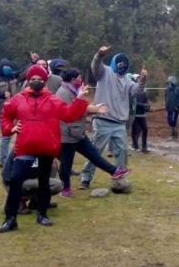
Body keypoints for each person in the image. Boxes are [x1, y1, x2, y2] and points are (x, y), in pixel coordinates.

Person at [0, 65, 90, 233]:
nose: (36, 81)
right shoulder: (18, 99)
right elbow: (5, 114)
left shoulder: (53, 100)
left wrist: (80, 99)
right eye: (33, 79)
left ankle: (42, 214)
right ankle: (10, 219)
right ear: (28, 80)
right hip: (25, 148)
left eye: (40, 79)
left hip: (47, 148)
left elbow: (69, 115)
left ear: (45, 81)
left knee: (44, 182)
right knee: (16, 180)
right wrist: (10, 128)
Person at [78, 46, 146, 189]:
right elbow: (95, 65)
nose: (122, 66)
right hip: (103, 120)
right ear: (115, 62)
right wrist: (99, 54)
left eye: (124, 64)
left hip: (120, 122)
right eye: (120, 63)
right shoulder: (104, 72)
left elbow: (137, 91)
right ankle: (86, 178)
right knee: (95, 151)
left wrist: (143, 79)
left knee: (122, 151)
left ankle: (119, 179)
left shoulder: (127, 81)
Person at [56, 68, 130, 198]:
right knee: (66, 164)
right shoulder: (63, 93)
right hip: (67, 135)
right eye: (79, 77)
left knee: (94, 154)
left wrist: (95, 109)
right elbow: (70, 113)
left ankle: (114, 171)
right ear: (73, 79)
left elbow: (81, 107)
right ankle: (65, 188)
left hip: (78, 133)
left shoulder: (74, 91)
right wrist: (91, 109)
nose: (81, 79)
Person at [164, 76, 179, 140]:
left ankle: (173, 135)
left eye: (170, 82)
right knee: (169, 121)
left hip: (175, 109)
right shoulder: (167, 90)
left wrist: (177, 106)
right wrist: (166, 106)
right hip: (169, 108)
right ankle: (174, 134)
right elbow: (166, 98)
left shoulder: (178, 89)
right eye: (168, 83)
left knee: (173, 121)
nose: (169, 84)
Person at [131, 88, 150, 153]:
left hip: (142, 115)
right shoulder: (133, 93)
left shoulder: (144, 94)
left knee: (145, 129)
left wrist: (147, 107)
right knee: (135, 130)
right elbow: (133, 104)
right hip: (134, 115)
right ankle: (135, 145)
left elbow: (147, 104)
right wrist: (143, 105)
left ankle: (144, 146)